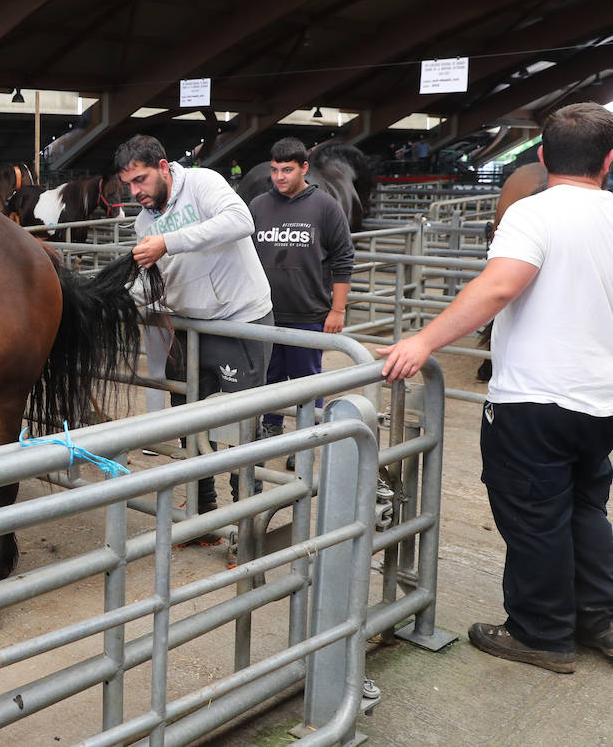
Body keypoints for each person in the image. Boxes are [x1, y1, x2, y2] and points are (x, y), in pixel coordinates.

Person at [380, 101, 613, 674]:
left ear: (540, 155)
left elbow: (500, 286)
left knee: (536, 518)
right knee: (585, 510)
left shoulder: (532, 213)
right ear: (609, 161)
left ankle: (540, 632)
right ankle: (600, 620)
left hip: (535, 397)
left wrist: (424, 341)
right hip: (601, 400)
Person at [117, 135, 273, 539]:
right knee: (188, 417)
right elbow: (156, 281)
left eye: (141, 180)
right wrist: (124, 299)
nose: (135, 192)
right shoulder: (143, 221)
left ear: (164, 167)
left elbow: (241, 221)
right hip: (186, 323)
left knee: (243, 423)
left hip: (238, 318)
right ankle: (201, 512)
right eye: (129, 185)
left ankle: (247, 518)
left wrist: (169, 241)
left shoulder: (203, 184)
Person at [249, 138, 354, 449]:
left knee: (308, 381)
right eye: (275, 170)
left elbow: (343, 257)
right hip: (267, 312)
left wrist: (338, 309)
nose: (279, 177)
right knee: (269, 378)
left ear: (304, 168)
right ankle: (271, 426)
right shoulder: (259, 206)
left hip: (309, 312)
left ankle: (309, 437)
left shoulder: (325, 206)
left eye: (287, 170)